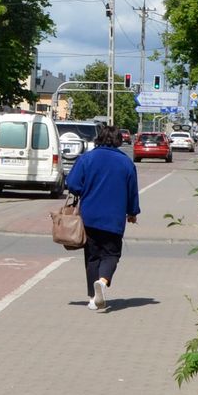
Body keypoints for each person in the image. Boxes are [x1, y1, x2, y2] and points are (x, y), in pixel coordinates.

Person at [65, 124, 140, 312]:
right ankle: (103, 281)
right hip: (114, 217)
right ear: (118, 141)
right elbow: (132, 192)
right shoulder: (126, 163)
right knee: (112, 253)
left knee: (92, 257)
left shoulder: (87, 159)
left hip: (89, 215)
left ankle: (92, 298)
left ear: (99, 138)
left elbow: (72, 184)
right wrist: (132, 212)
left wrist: (86, 190)